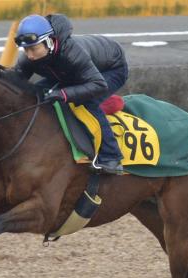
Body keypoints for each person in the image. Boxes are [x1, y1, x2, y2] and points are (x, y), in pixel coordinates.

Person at [13, 13, 128, 175]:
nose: (30, 55)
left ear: (49, 42)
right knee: (36, 95)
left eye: (33, 49)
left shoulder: (72, 53)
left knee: (87, 102)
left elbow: (98, 84)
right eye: (26, 49)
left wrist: (64, 94)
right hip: (69, 73)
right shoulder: (30, 57)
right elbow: (14, 82)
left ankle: (112, 157)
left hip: (109, 70)